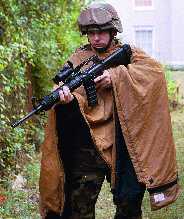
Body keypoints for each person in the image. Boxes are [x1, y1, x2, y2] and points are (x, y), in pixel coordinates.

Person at [39, 3, 181, 219]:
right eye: (91, 33)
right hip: (89, 143)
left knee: (129, 204)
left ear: (113, 31)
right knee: (80, 204)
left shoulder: (129, 54)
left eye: (101, 32)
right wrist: (65, 98)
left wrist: (116, 77)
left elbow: (154, 75)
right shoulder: (78, 59)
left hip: (124, 140)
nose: (95, 38)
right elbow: (63, 87)